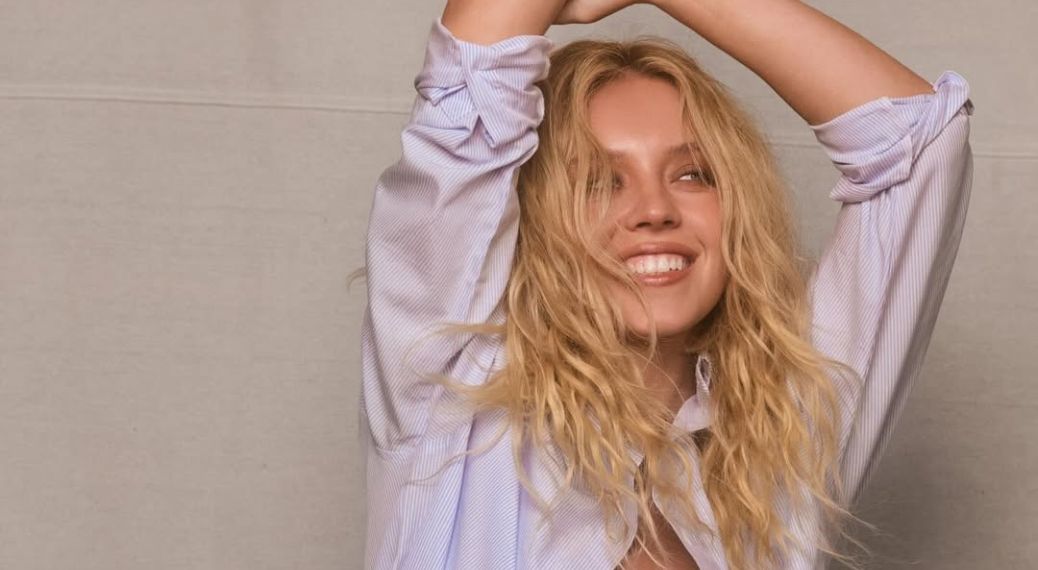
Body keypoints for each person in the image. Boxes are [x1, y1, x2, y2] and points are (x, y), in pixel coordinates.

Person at [357, 0, 974, 568]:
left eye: (692, 174)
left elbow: (919, 146)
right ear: (531, 217)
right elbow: (469, 88)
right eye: (598, 181)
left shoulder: (788, 423)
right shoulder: (451, 386)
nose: (654, 210)